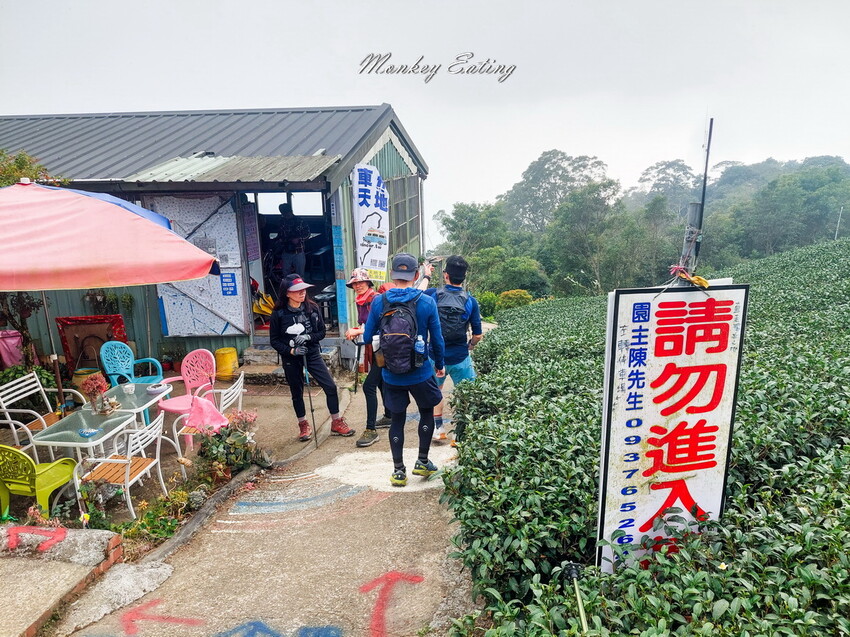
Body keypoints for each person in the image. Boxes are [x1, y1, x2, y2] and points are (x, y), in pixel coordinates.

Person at [362, 253, 446, 487]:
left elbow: (367, 337)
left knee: (397, 419)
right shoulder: (426, 302)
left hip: (391, 373)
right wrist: (439, 365)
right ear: (416, 275)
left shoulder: (379, 301)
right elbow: (437, 339)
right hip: (421, 371)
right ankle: (422, 461)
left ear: (392, 274)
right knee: (426, 411)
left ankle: (398, 471)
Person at [270, 273, 355, 442]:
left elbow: (321, 332)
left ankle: (336, 421)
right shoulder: (278, 314)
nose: (302, 293)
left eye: (303, 289)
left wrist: (308, 337)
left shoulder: (312, 308)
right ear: (287, 293)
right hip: (291, 358)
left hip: (312, 354)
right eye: (297, 290)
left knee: (330, 386)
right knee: (297, 392)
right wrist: (291, 351)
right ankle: (303, 424)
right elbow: (274, 340)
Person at [421, 256, 483, 442]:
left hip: (435, 356)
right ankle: (461, 432)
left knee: (436, 391)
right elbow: (478, 335)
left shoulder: (432, 295)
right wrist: (470, 346)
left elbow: (414, 295)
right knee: (466, 393)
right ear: (464, 277)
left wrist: (426, 276)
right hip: (460, 356)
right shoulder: (471, 301)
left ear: (445, 275)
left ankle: (438, 429)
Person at [344, 268, 394, 447]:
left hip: (384, 347)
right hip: (375, 348)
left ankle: (371, 429)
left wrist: (358, 331)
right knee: (380, 383)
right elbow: (366, 324)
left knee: (368, 386)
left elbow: (382, 326)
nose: (358, 286)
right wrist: (358, 329)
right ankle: (389, 416)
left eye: (361, 282)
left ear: (368, 283)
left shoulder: (375, 300)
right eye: (355, 283)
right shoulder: (361, 300)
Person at [278, 203, 311, 278]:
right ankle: (288, 285)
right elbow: (280, 234)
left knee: (300, 275)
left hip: (299, 251)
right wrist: (280, 240)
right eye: (283, 214)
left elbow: (308, 234)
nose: (286, 216)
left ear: (291, 211)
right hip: (286, 251)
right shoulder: (282, 221)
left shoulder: (300, 221)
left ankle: (300, 286)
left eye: (287, 214)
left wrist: (299, 239)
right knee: (286, 274)